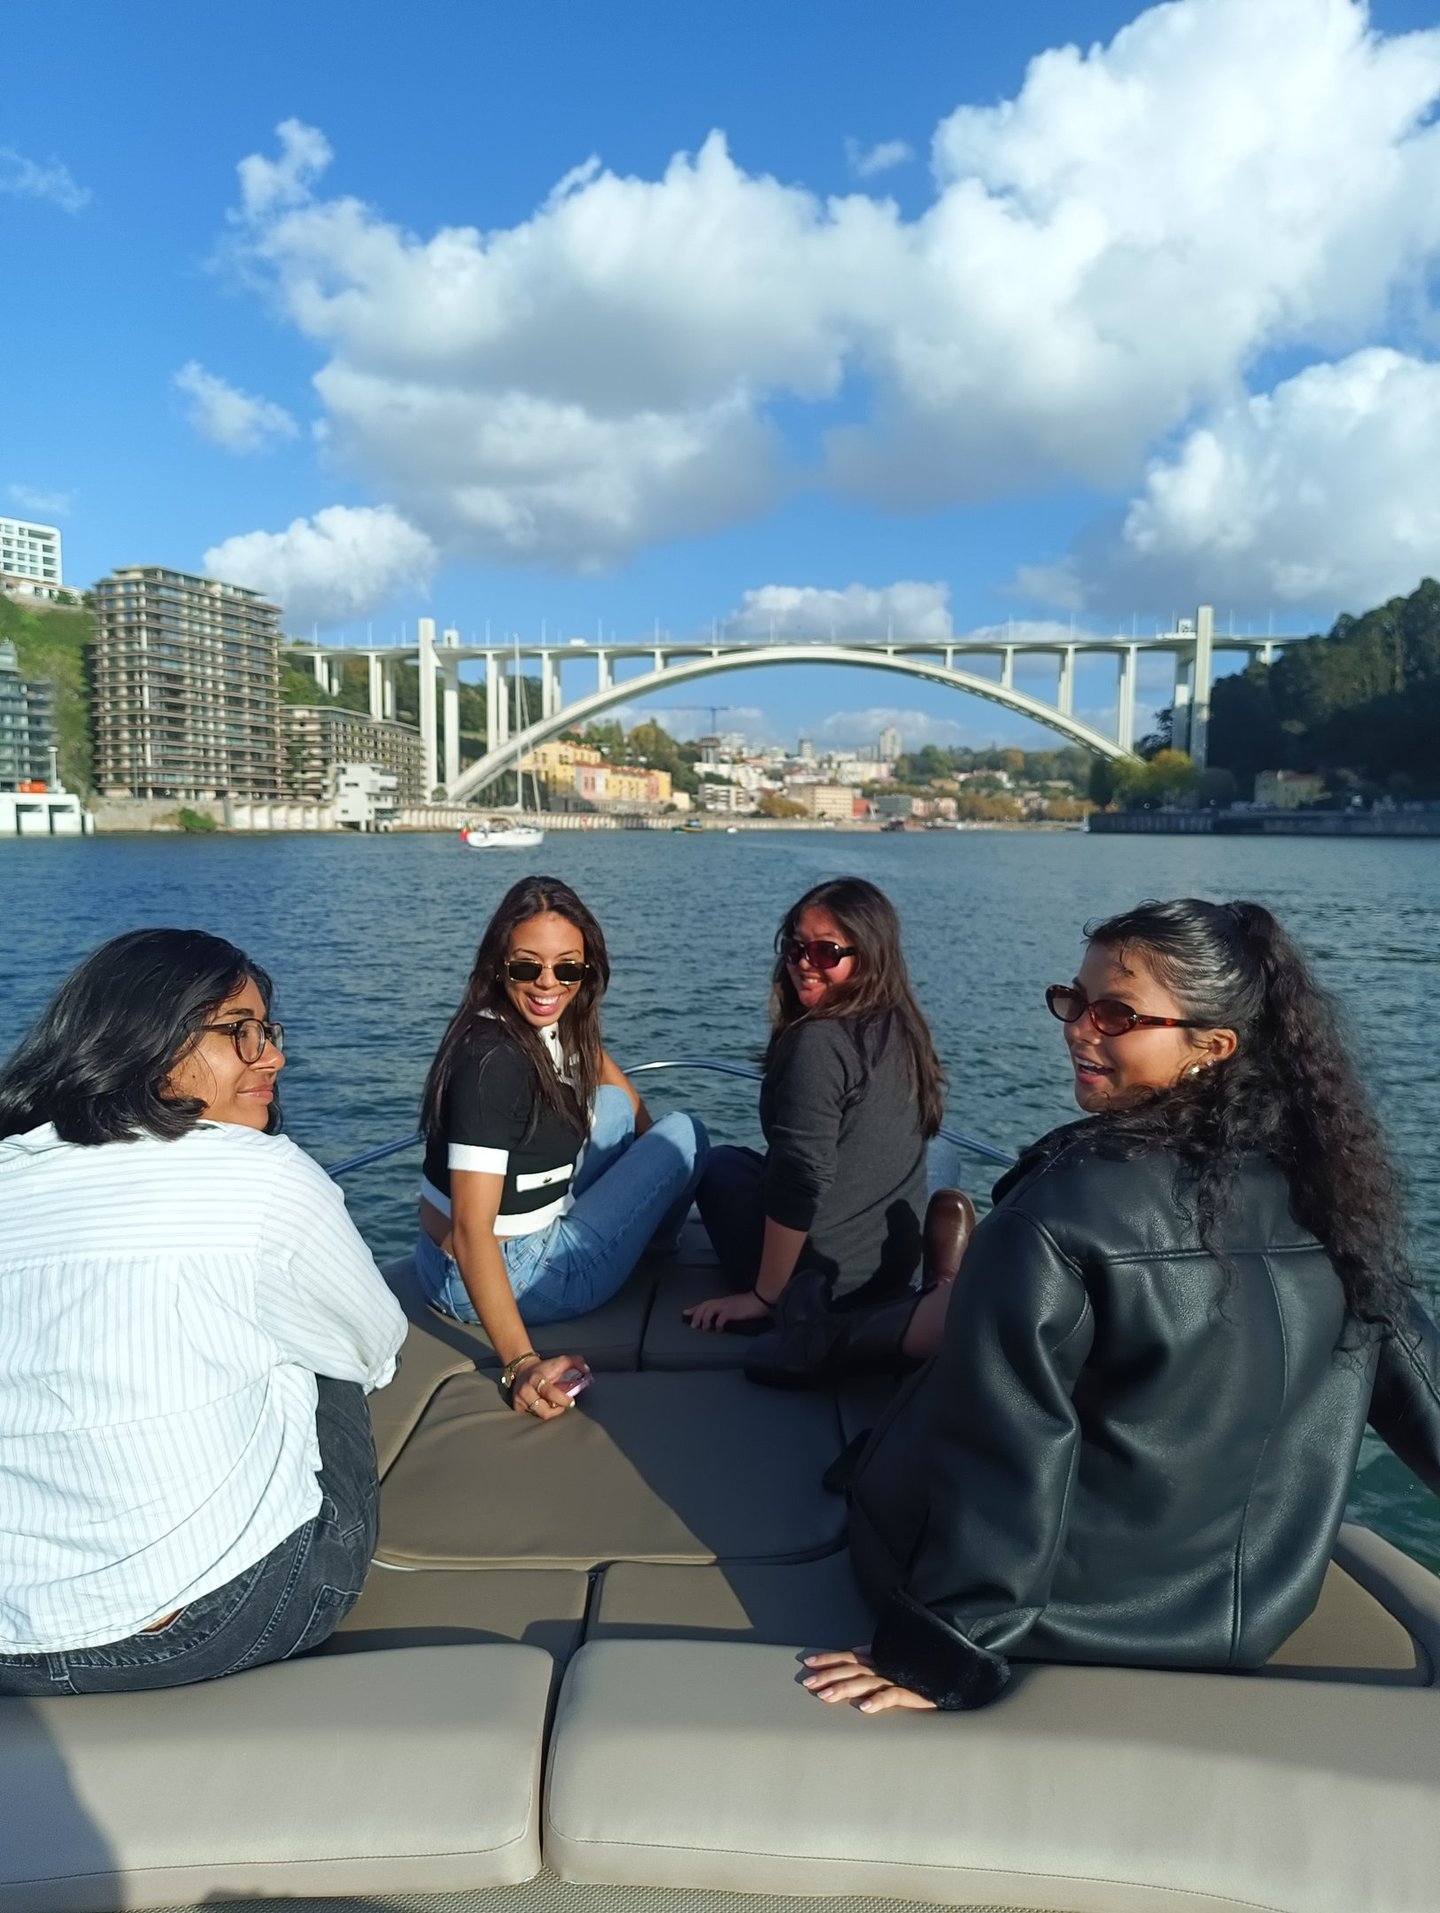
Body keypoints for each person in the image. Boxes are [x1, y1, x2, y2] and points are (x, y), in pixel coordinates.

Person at [803, 897, 1440, 1715]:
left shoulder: (1058, 1215)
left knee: (898, 1394)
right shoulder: (1331, 1198)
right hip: (1254, 1611)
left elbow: (1006, 1450)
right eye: (1073, 1000)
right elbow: (1422, 1390)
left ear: (1212, 1045)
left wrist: (940, 1649)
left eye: (1115, 1013)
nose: (1078, 1029)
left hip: (1062, 1616)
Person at [0, 929, 406, 1696]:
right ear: (143, 1038)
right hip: (202, 1623)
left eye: (269, 1032)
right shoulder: (259, 1174)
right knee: (323, 1355)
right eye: (241, 1031)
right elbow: (374, 1347)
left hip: (9, 1637)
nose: (272, 1057)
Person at [416, 874, 708, 1420]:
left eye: (568, 968)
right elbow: (472, 1229)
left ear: (586, 969)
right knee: (687, 1133)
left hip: (439, 1258)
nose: (548, 983)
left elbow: (601, 1068)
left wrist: (647, 1154)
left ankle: (636, 1230)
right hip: (514, 1274)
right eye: (527, 967)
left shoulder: (544, 1019)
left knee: (615, 1108)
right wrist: (521, 1364)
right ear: (498, 966)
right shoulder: (492, 1061)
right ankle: (653, 1249)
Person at [685, 877, 951, 1379]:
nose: (804, 963)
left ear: (868, 956)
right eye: (795, 948)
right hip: (887, 1275)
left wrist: (763, 1297)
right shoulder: (903, 1026)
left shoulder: (820, 1044)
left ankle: (784, 1299)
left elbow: (800, 1180)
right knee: (941, 1157)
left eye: (826, 952)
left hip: (822, 1285)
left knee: (717, 1167)